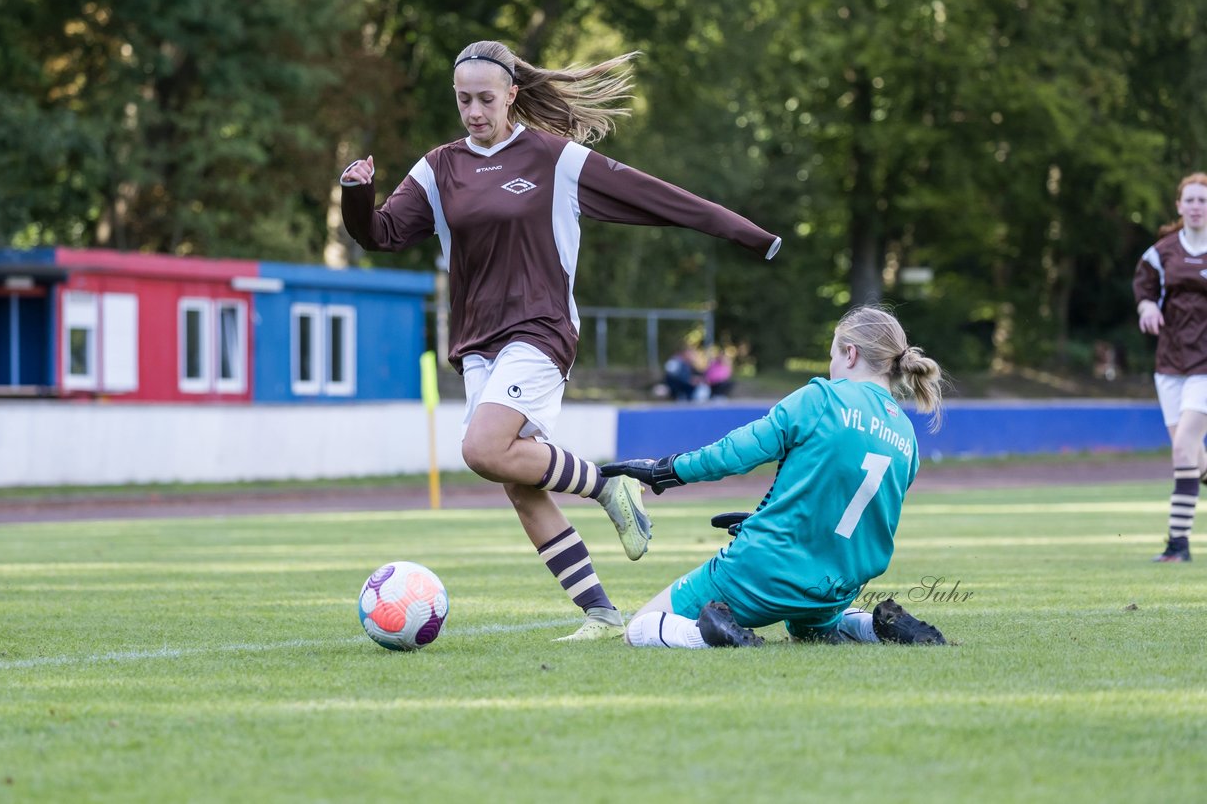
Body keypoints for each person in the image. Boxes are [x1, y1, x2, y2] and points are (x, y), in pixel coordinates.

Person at [340, 40, 782, 640]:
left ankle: (608, 486)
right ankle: (600, 614)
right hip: (478, 343)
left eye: (486, 99)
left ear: (512, 96)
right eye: (464, 99)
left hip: (540, 329)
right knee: (518, 484)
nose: (473, 111)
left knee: (481, 449)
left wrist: (750, 236)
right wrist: (355, 194)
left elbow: (658, 197)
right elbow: (380, 234)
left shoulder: (554, 159)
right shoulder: (439, 167)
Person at [602, 306, 948, 648]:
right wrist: (767, 517)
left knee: (641, 627)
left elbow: (735, 453)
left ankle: (708, 635)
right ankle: (875, 628)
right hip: (835, 586)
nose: (831, 368)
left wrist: (666, 471)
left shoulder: (822, 398)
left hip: (763, 570)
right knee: (808, 632)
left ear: (851, 353)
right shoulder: (907, 436)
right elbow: (852, 511)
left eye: (833, 357)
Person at [1134, 171, 1207, 563]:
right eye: (1191, 200)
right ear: (1180, 205)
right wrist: (1146, 307)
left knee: (1183, 449)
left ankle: (1178, 545)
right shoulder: (1161, 252)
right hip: (1170, 365)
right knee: (1193, 456)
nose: (1197, 206)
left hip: (1206, 366)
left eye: (1203, 200)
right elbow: (1144, 289)